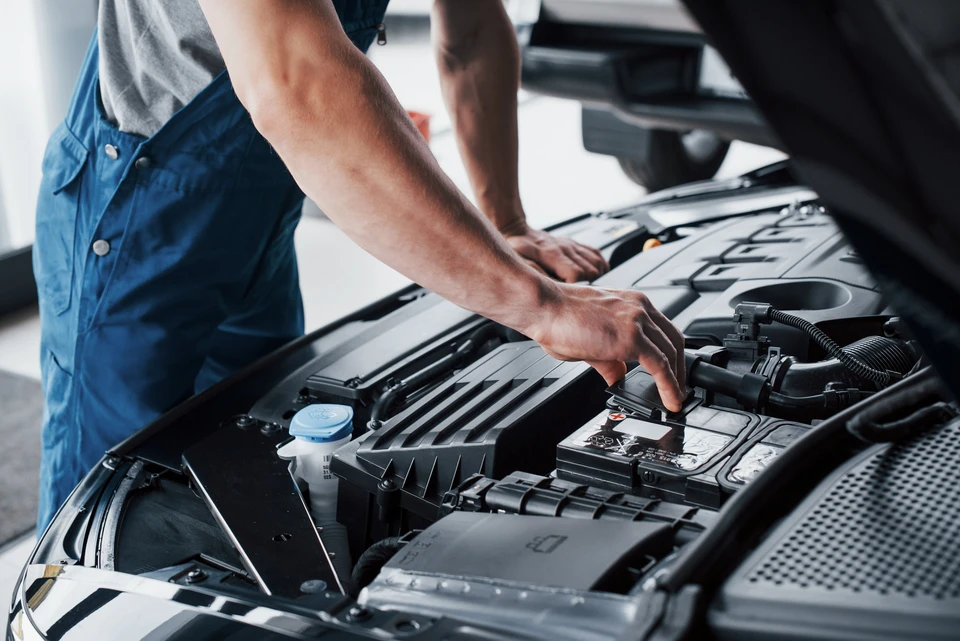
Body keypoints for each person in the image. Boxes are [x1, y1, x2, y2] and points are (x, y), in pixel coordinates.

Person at [33, 0, 685, 532]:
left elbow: (474, 30)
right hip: (139, 221)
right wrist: (535, 304)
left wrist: (506, 223)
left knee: (250, 490)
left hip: (260, 222)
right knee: (108, 519)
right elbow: (295, 83)